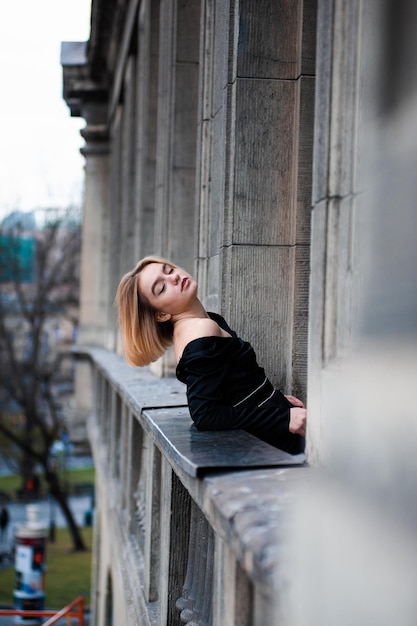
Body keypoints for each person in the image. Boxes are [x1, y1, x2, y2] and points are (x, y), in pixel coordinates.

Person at [116, 256, 307, 454]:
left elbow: (232, 386)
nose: (172, 278)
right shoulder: (201, 330)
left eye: (168, 270)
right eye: (161, 288)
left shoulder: (197, 324)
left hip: (271, 423)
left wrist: (270, 398)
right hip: (273, 441)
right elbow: (206, 416)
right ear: (161, 315)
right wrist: (283, 419)